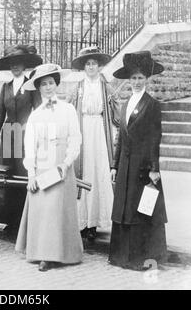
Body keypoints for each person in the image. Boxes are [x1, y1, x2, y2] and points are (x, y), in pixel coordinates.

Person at [15, 63, 84, 272]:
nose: (48, 87)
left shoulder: (68, 110)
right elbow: (30, 147)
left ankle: (64, 253)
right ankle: (43, 254)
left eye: (51, 83)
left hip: (62, 166)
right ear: (38, 88)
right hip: (43, 168)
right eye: (43, 84)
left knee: (59, 210)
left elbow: (75, 139)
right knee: (44, 210)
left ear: (57, 84)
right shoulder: (35, 116)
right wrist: (31, 175)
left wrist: (66, 162)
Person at [109, 51, 168, 271]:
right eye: (133, 78)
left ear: (146, 79)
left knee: (141, 210)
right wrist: (114, 165)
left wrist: (154, 168)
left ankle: (142, 258)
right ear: (128, 80)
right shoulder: (125, 103)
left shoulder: (151, 104)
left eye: (140, 78)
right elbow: (120, 138)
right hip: (125, 166)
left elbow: (155, 138)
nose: (136, 82)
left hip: (142, 166)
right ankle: (121, 256)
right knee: (124, 209)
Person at [0, 44, 42, 235]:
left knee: (23, 176)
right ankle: (9, 222)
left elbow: (39, 111)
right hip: (9, 136)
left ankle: (24, 222)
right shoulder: (6, 87)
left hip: (26, 137)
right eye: (12, 64)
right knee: (8, 178)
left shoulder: (32, 86)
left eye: (18, 63)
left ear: (24, 65)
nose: (15, 67)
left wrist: (31, 127)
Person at [69, 46, 121, 241]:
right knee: (84, 172)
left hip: (99, 130)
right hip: (83, 131)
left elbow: (115, 115)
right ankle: (82, 222)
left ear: (99, 66)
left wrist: (113, 102)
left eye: (94, 64)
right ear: (84, 67)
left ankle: (95, 222)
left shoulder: (106, 87)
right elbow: (72, 110)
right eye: (88, 64)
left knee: (99, 173)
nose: (91, 67)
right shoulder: (78, 88)